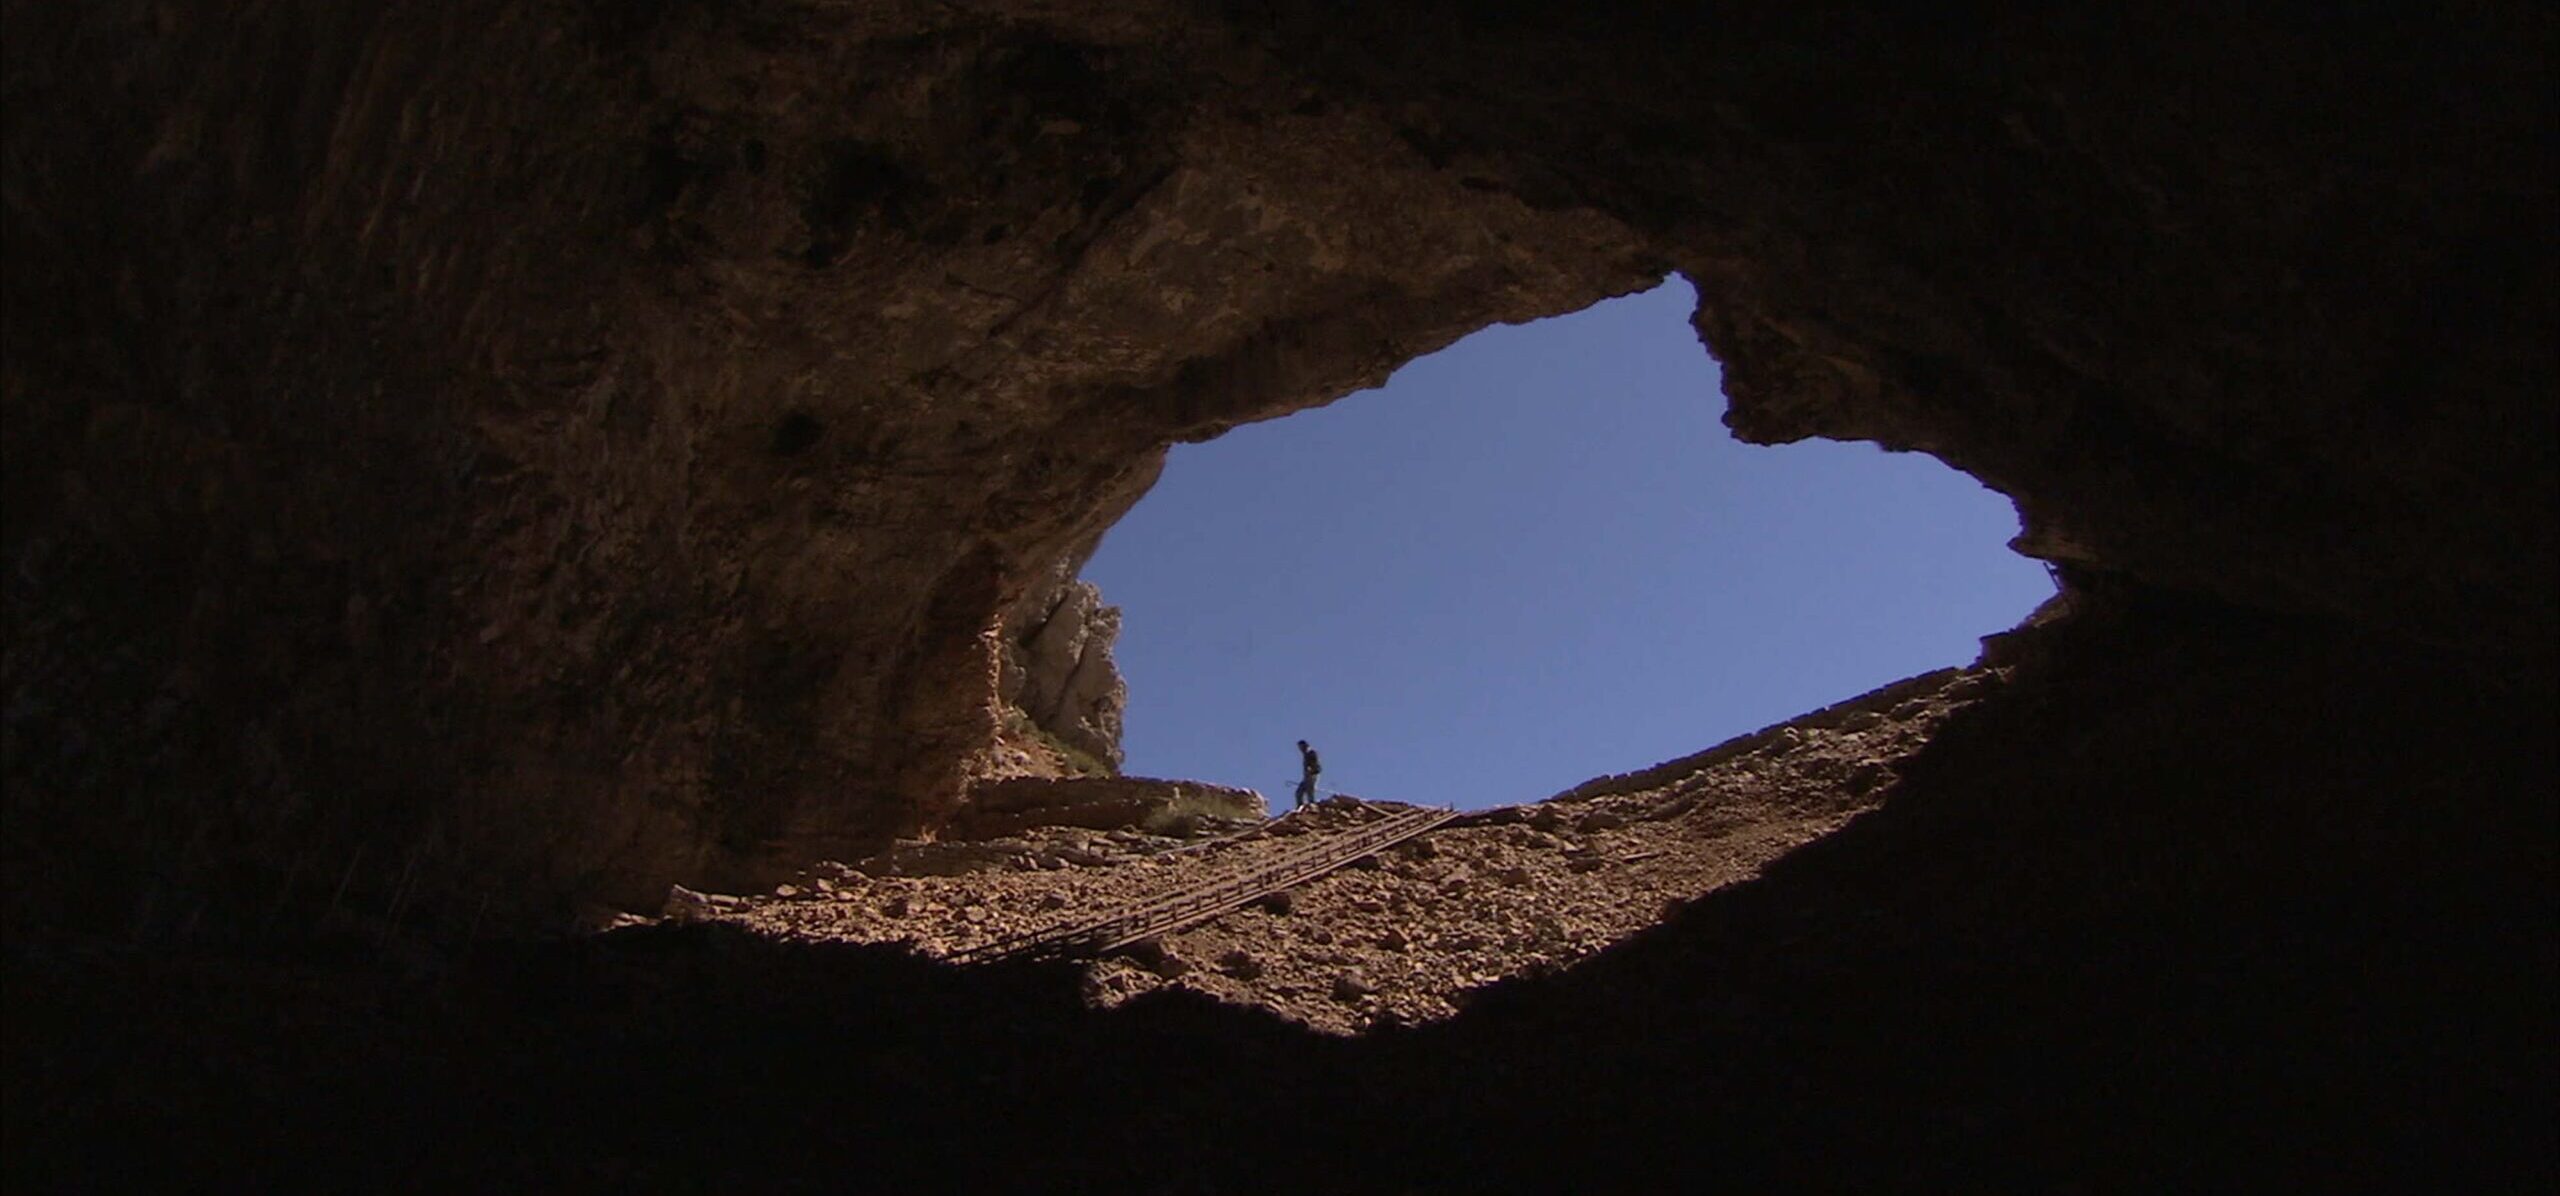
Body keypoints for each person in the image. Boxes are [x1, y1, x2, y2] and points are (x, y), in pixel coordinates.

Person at [1294, 739, 1322, 810]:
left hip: (1313, 775)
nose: (1300, 750)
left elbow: (1317, 765)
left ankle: (1312, 806)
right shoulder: (1306, 754)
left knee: (1310, 791)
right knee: (1299, 792)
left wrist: (1312, 770)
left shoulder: (1312, 753)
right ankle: (1300, 807)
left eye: (1301, 747)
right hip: (1307, 776)